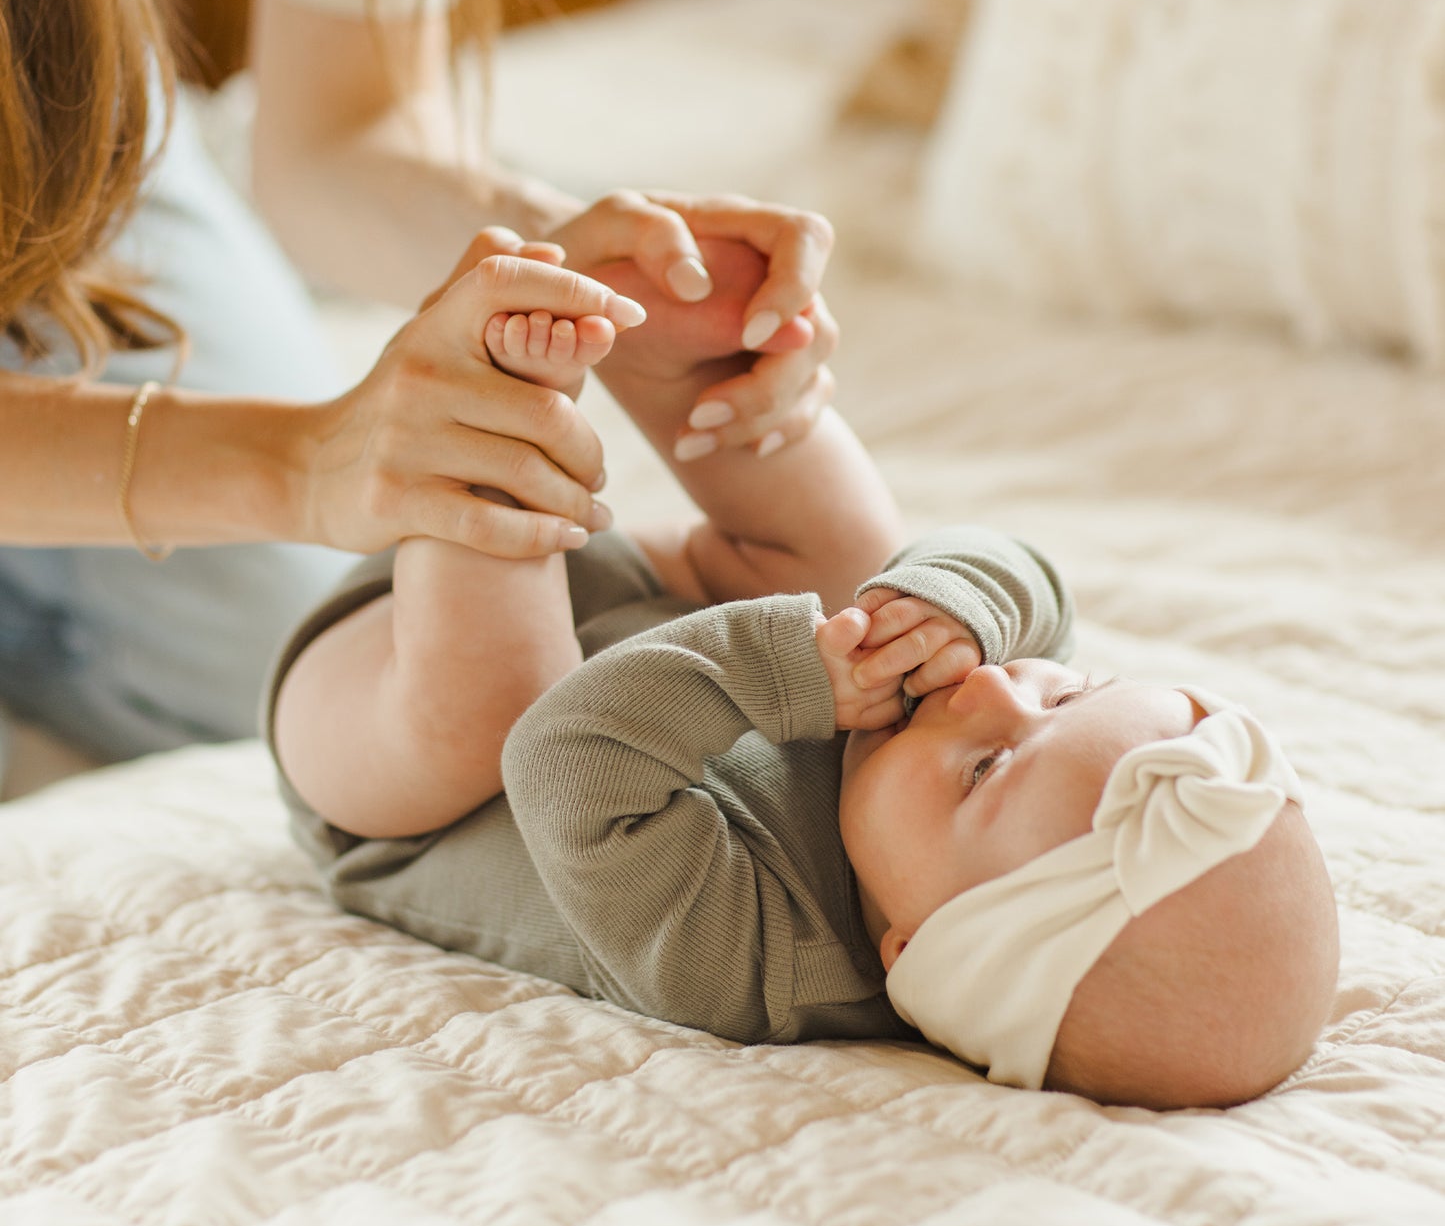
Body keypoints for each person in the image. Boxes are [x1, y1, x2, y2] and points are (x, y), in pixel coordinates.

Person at [268, 239, 1342, 1112]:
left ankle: (490, 424)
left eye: (981, 769)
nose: (989, 692)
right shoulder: (977, 763)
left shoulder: (752, 962)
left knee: (491, 715)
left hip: (398, 765)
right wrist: (952, 607)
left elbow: (563, 756)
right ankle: (695, 365)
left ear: (909, 945)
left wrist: (790, 673)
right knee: (865, 566)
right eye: (1065, 695)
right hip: (647, 606)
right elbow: (1035, 587)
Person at [0, 0, 834, 763]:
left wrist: (574, 251)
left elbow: (344, 130)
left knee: (289, 646)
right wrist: (294, 466)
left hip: (54, 114)